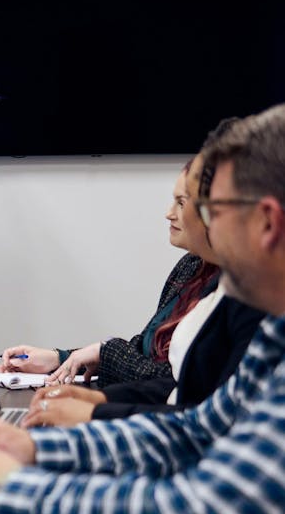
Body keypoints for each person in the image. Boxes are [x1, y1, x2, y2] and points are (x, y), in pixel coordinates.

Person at [0, 103, 285, 514]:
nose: (205, 226)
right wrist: (33, 449)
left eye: (215, 209)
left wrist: (7, 493)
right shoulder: (274, 328)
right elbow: (195, 432)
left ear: (267, 223)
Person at [21, 152, 264, 427]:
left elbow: (193, 409)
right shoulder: (195, 268)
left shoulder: (248, 298)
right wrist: (70, 366)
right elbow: (169, 376)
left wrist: (95, 409)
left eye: (183, 203)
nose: (171, 213)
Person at [0, 167, 219, 386]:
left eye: (181, 203)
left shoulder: (226, 289)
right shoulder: (191, 265)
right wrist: (60, 359)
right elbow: (142, 352)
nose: (169, 214)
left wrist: (104, 352)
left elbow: (171, 381)